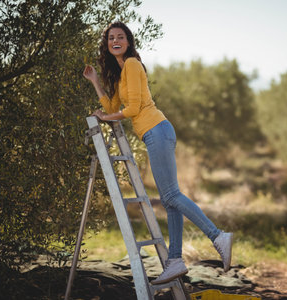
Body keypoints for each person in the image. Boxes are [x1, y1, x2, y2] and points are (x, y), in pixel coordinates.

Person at [83, 21, 233, 285]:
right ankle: (175, 260)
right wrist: (95, 81)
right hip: (156, 132)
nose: (115, 41)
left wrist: (106, 117)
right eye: (110, 38)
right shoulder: (120, 74)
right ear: (107, 46)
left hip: (157, 130)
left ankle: (217, 236)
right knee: (169, 199)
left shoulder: (131, 64)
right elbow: (111, 103)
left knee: (172, 195)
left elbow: (131, 110)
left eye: (120, 37)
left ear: (128, 42)